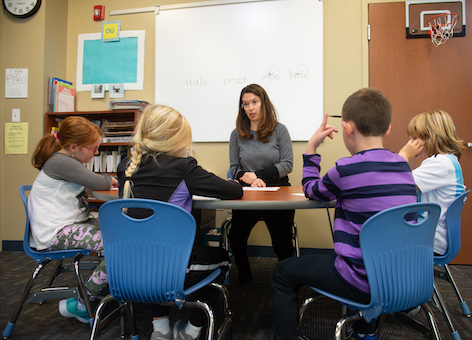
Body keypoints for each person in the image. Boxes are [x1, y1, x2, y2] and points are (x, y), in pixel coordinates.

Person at [270, 88, 418, 340]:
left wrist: (312, 146)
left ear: (347, 129)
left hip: (359, 281)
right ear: (388, 129)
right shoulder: (403, 166)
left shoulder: (346, 169)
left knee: (282, 273)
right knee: (366, 252)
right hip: (400, 275)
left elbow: (311, 190)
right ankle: (364, 330)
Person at [117, 104, 243, 340]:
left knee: (154, 253)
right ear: (175, 139)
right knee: (222, 258)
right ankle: (192, 331)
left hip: (128, 267)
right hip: (174, 270)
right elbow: (234, 191)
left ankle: (160, 329)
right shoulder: (184, 168)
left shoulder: (126, 168)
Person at [28, 116, 117, 323]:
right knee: (116, 245)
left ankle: (105, 290)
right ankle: (82, 302)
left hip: (70, 225)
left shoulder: (68, 160)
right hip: (55, 232)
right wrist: (110, 179)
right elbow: (99, 182)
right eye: (93, 148)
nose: (96, 153)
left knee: (120, 235)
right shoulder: (61, 162)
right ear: (73, 146)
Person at [229, 84, 295, 287]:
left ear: (263, 103)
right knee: (236, 237)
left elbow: (287, 164)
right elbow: (234, 169)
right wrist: (250, 179)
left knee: (282, 244)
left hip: (278, 192)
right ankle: (244, 273)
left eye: (254, 102)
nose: (250, 108)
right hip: (248, 194)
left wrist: (257, 176)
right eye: (245, 104)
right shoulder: (237, 134)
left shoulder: (279, 130)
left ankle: (286, 278)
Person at [398, 110, 466, 255]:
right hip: (433, 235)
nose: (410, 143)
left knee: (379, 236)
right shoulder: (448, 161)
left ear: (432, 137)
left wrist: (403, 155)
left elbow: (398, 184)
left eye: (414, 138)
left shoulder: (441, 164)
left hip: (430, 240)